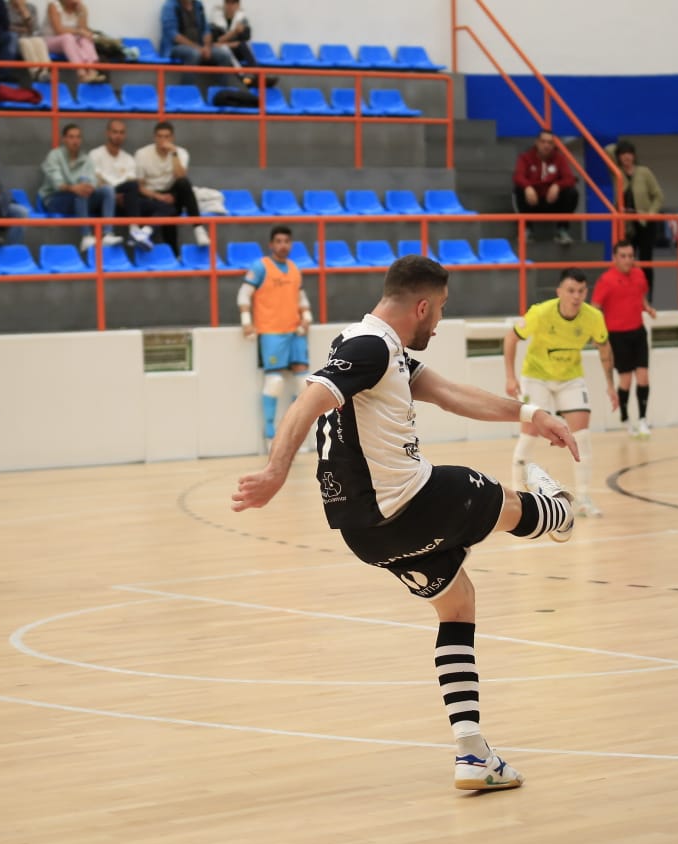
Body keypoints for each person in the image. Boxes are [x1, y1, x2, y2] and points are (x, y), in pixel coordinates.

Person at [232, 255, 580, 792]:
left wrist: (533, 416)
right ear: (420, 305)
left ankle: (471, 754)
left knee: (458, 603)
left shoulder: (378, 347)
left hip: (367, 535)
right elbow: (308, 400)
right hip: (411, 502)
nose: (438, 323)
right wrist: (277, 471)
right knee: (509, 505)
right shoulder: (368, 348)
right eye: (439, 310)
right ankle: (560, 513)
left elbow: (451, 393)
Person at [505, 267, 617, 516]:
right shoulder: (541, 313)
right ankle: (515, 495)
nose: (576, 296)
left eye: (581, 291)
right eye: (570, 291)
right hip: (536, 377)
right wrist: (511, 377)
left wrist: (610, 385)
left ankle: (584, 499)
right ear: (559, 292)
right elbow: (510, 338)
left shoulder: (593, 317)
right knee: (530, 433)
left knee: (582, 436)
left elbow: (605, 348)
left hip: (570, 378)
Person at [238, 225, 312, 443]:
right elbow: (244, 294)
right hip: (271, 331)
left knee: (303, 383)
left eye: (286, 241)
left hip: (295, 331)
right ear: (271, 244)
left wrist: (307, 317)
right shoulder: (260, 267)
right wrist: (246, 321)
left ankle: (295, 433)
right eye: (278, 241)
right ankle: (270, 434)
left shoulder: (294, 269)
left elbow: (301, 297)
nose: (283, 245)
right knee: (275, 382)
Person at [592, 239, 658, 438]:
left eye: (631, 256)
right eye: (623, 256)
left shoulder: (639, 274)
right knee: (626, 380)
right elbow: (595, 307)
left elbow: (640, 295)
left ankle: (643, 419)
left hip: (638, 331)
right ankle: (624, 417)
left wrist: (647, 307)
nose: (628, 260)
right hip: (617, 335)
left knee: (643, 376)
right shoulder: (606, 280)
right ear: (614, 258)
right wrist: (597, 334)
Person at [39, 122, 121, 252]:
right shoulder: (54, 156)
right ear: (64, 139)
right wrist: (75, 188)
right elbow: (57, 183)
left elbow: (92, 181)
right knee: (80, 191)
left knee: (107, 190)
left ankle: (107, 234)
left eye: (78, 137)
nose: (75, 141)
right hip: (55, 198)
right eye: (71, 137)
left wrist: (89, 186)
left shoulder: (86, 159)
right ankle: (86, 236)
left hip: (80, 198)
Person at [134, 120, 210, 248]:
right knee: (168, 211)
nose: (163, 140)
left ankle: (198, 228)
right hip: (152, 196)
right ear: (154, 137)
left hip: (173, 193)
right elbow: (140, 186)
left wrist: (173, 153)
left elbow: (180, 176)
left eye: (167, 136)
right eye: (160, 136)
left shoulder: (181, 152)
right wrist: (159, 197)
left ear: (172, 138)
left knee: (184, 183)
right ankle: (173, 255)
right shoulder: (141, 154)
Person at [606, 139, 664, 288]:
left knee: (645, 261)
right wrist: (619, 148)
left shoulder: (644, 172)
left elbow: (658, 195)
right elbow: (608, 150)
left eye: (629, 153)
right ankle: (627, 290)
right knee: (626, 260)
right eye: (623, 154)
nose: (626, 157)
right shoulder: (617, 173)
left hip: (644, 223)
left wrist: (650, 214)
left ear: (634, 155)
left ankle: (647, 294)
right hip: (625, 223)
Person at [90, 119, 154, 249]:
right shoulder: (95, 154)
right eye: (115, 132)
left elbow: (131, 182)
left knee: (164, 206)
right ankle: (133, 229)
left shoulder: (129, 159)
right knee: (113, 190)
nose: (118, 135)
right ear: (107, 133)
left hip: (124, 199)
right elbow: (96, 180)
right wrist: (111, 195)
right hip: (101, 197)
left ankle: (139, 232)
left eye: (121, 132)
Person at [512, 130, 579, 245]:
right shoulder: (525, 157)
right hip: (532, 201)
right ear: (537, 143)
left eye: (550, 143)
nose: (546, 145)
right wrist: (528, 187)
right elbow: (518, 176)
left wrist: (557, 185)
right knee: (519, 189)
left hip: (551, 201)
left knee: (572, 192)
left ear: (554, 145)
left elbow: (570, 178)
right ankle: (526, 229)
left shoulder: (559, 159)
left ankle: (562, 230)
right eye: (543, 142)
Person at [160, 0, 237, 71]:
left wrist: (207, 47)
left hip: (200, 47)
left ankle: (221, 86)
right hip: (176, 48)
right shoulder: (169, 6)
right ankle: (187, 86)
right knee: (194, 54)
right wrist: (198, 48)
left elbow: (206, 29)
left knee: (224, 55)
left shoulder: (198, 5)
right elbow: (173, 35)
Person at [43, 0, 104, 84]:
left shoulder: (80, 8)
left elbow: (83, 30)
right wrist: (79, 32)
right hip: (51, 40)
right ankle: (81, 73)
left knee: (85, 39)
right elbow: (58, 30)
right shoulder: (54, 5)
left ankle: (91, 70)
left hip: (71, 43)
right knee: (67, 37)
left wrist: (82, 14)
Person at [8, 0, 52, 82]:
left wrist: (25, 13)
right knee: (25, 42)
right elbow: (6, 26)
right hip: (14, 39)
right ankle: (36, 72)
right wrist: (21, 29)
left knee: (39, 41)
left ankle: (46, 71)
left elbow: (33, 29)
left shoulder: (31, 8)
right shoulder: (6, 8)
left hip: (30, 37)